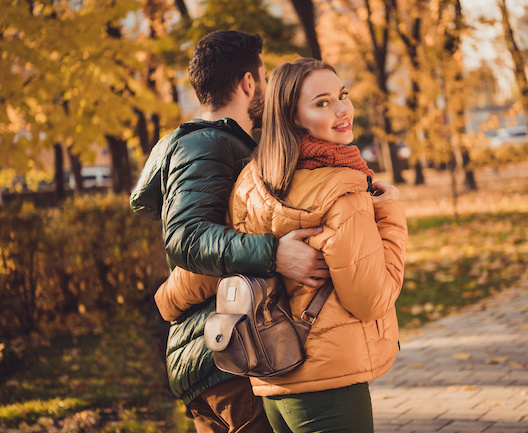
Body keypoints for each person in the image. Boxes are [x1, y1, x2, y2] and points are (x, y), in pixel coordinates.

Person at [155, 58, 408, 433]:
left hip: (271, 381)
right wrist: (390, 216)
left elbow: (221, 260)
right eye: (321, 103)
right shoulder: (344, 189)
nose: (342, 109)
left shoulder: (251, 183)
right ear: (292, 118)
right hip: (330, 381)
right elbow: (370, 299)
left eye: (342, 95)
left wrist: (167, 300)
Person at [130, 32, 329, 433]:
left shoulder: (218, 144)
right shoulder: (206, 145)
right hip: (226, 351)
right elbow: (186, 237)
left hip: (220, 348)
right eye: (265, 76)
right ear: (249, 82)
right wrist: (274, 253)